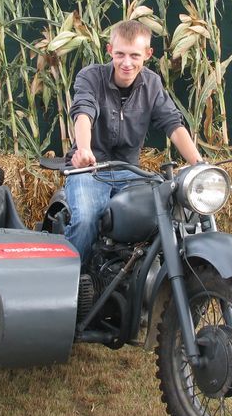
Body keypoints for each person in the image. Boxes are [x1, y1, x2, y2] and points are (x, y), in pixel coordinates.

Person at [63, 20, 203, 263]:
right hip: (90, 170)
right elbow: (84, 112)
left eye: (134, 55)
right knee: (86, 219)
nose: (126, 63)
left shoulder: (152, 83)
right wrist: (84, 150)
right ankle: (70, 282)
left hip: (130, 173)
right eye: (120, 54)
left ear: (148, 54)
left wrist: (198, 163)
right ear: (109, 51)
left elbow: (173, 124)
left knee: (167, 215)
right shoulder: (91, 77)